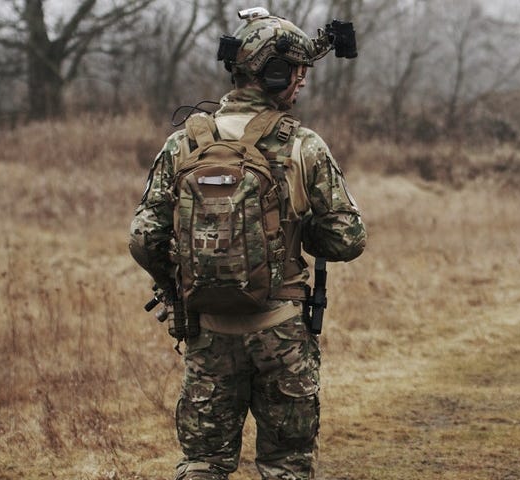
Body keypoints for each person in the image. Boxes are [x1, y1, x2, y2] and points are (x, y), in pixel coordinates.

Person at [128, 8, 366, 480]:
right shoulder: (303, 145)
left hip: (207, 332)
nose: (302, 83)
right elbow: (348, 238)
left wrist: (175, 286)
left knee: (203, 465)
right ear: (275, 73)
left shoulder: (184, 144)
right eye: (298, 72)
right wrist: (296, 231)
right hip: (281, 333)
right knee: (285, 467)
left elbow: (144, 237)